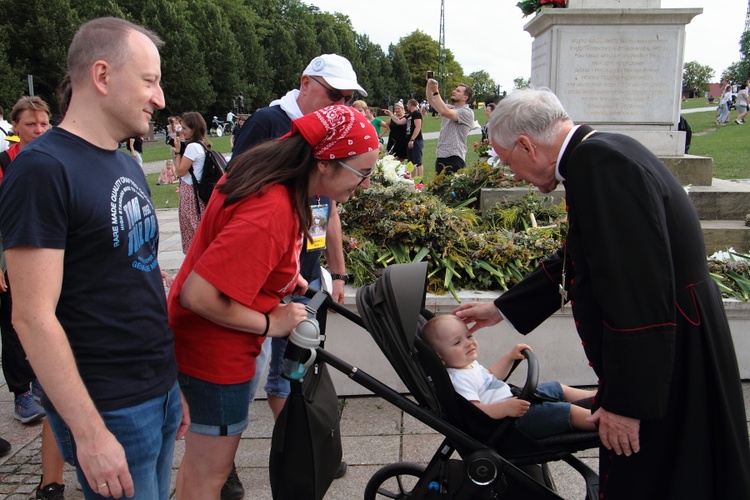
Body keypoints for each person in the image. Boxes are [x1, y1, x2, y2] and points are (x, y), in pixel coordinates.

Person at [453, 88, 750, 499]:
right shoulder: (601, 150)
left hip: (665, 342)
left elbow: (636, 292)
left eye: (508, 162)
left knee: (661, 467)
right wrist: (503, 308)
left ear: (526, 144)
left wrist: (627, 405)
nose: (512, 174)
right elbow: (582, 255)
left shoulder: (599, 164)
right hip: (678, 329)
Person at [0, 17, 187, 499]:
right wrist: (88, 433)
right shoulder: (43, 169)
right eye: (149, 81)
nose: (160, 98)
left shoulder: (125, 162)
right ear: (102, 76)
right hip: (108, 404)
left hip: (158, 389)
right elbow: (32, 317)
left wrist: (173, 383)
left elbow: (140, 278)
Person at [169, 104, 379, 499]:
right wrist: (273, 324)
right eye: (362, 173)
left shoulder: (279, 179)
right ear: (326, 163)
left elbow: (247, 252)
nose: (365, 184)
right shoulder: (272, 210)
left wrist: (289, 277)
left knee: (197, 468)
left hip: (211, 343)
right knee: (207, 477)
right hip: (214, 353)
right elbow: (197, 295)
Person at [226, 52, 364, 497]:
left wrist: (336, 273)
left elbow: (329, 210)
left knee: (296, 368)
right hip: (261, 278)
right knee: (248, 372)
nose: (340, 103)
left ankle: (298, 447)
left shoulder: (330, 132)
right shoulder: (269, 123)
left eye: (348, 97)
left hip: (302, 274)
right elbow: (238, 194)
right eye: (333, 93)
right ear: (305, 83)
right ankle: (221, 458)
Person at [0, 96, 68, 500]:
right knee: (16, 325)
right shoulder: (8, 162)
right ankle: (23, 391)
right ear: (16, 126)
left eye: (44, 124)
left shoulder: (54, 158)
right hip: (15, 259)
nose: (39, 131)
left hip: (50, 263)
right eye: (31, 124)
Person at [421, 314, 596, 439]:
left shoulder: (466, 365)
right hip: (509, 424)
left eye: (469, 335)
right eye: (457, 342)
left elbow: (490, 377)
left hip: (513, 400)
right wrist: (505, 409)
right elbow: (476, 412)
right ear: (439, 357)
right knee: (563, 412)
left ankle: (595, 396)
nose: (469, 343)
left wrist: (509, 357)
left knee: (557, 388)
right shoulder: (458, 379)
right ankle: (598, 423)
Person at [173, 111, 209, 254]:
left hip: (190, 193)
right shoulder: (202, 144)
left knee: (191, 228)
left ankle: (195, 259)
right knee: (197, 227)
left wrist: (177, 152)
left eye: (185, 128)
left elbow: (180, 171)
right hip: (197, 192)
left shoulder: (192, 147)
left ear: (193, 129)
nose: (182, 131)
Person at [426, 79, 475, 175]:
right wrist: (429, 85)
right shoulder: (451, 108)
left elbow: (445, 112)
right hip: (441, 156)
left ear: (465, 97)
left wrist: (436, 91)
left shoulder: (467, 112)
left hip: (454, 157)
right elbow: (431, 100)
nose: (454, 91)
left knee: (451, 189)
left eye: (458, 91)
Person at [405, 99, 424, 177]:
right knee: (411, 162)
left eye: (407, 104)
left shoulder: (416, 114)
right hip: (409, 140)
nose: (407, 106)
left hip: (416, 140)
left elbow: (418, 127)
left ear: (410, 104)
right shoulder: (410, 115)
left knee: (418, 161)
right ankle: (413, 179)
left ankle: (420, 181)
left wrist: (412, 139)